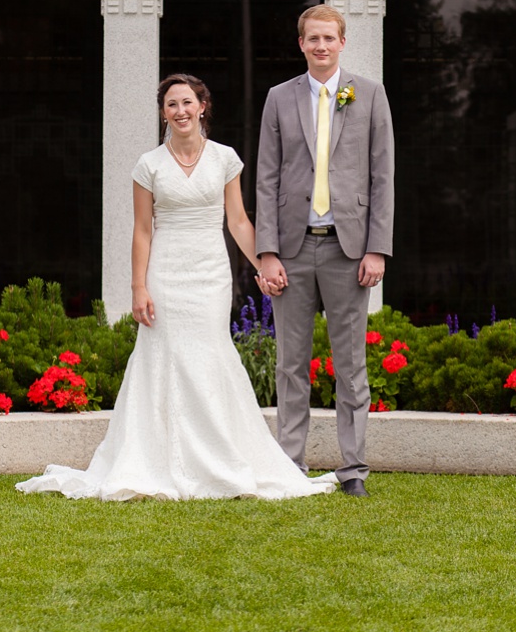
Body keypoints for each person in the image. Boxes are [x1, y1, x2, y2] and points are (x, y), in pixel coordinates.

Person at [19, 74, 335, 502]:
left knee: (210, 355)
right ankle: (160, 460)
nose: (180, 111)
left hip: (210, 274)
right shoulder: (149, 165)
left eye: (188, 102)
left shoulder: (224, 158)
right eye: (171, 105)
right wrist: (137, 287)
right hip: (165, 274)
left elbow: (238, 221)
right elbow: (142, 231)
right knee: (163, 358)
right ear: (163, 113)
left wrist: (263, 262)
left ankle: (220, 457)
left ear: (203, 106)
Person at [254, 3, 395, 498]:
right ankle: (290, 464)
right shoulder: (278, 98)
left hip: (349, 251)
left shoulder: (369, 95)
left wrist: (376, 248)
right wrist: (266, 252)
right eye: (311, 39)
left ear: (341, 42)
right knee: (290, 363)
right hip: (291, 250)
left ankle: (352, 467)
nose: (320, 46)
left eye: (328, 39)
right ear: (301, 44)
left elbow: (383, 176)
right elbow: (266, 178)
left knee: (350, 363)